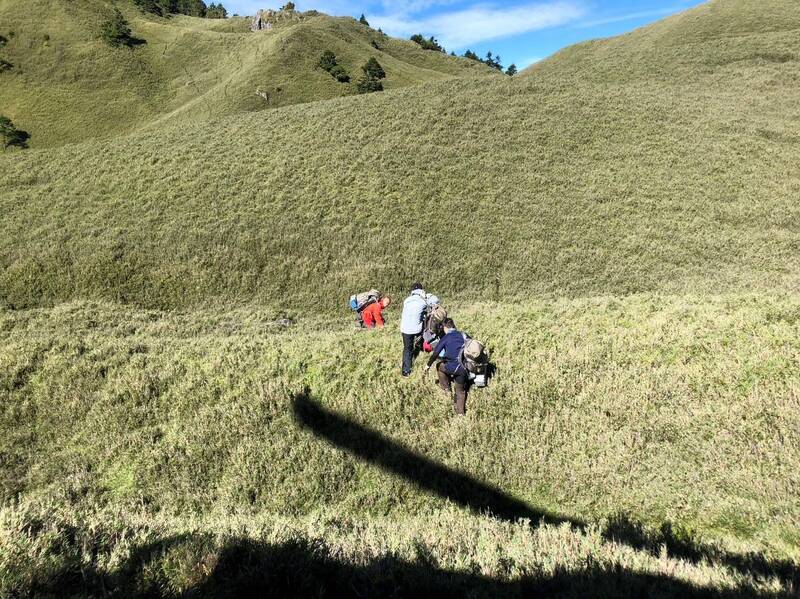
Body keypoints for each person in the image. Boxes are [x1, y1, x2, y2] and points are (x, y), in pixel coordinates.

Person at [423, 318, 469, 415]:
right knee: (460, 391)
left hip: (451, 367)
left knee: (439, 366)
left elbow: (436, 353)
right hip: (464, 368)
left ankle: (446, 389)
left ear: (445, 327)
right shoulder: (463, 335)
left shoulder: (445, 338)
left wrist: (428, 365)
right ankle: (460, 414)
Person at [400, 282, 428, 376]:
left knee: (407, 349)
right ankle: (422, 346)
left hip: (405, 328)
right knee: (425, 322)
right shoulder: (423, 301)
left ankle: (406, 371)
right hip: (417, 329)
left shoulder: (406, 300)